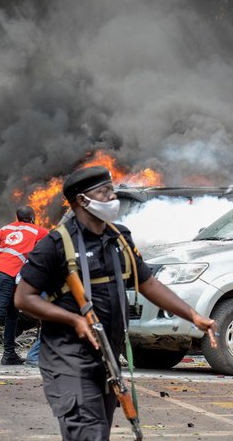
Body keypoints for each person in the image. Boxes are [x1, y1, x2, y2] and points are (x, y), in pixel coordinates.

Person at [15, 166, 218, 441]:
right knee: (89, 431)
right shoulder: (56, 244)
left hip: (108, 354)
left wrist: (193, 316)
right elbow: (23, 298)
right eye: (104, 192)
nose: (112, 197)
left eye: (111, 190)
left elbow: (148, 284)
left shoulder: (120, 238)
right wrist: (73, 319)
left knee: (96, 430)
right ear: (81, 200)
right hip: (68, 356)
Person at [0, 206, 48, 368]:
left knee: (12, 313)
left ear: (17, 217)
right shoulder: (38, 231)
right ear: (33, 217)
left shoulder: (6, 227)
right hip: (8, 274)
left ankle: (9, 354)